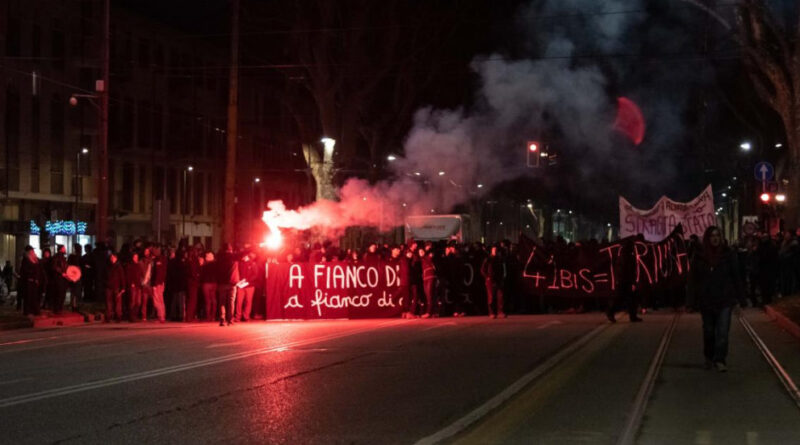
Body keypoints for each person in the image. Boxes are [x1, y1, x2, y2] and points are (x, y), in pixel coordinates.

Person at [688, 226, 746, 372]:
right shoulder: (699, 256)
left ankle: (720, 359)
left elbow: (736, 277)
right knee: (708, 331)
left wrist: (740, 300)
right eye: (712, 236)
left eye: (717, 236)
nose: (715, 238)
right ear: (707, 238)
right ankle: (709, 357)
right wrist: (690, 301)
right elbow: (693, 280)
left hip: (725, 300)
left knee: (722, 332)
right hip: (706, 300)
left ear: (721, 238)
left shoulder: (728, 254)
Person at [216, 243, 239, 326]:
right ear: (230, 249)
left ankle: (222, 319)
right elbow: (243, 253)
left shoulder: (219, 257)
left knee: (222, 302)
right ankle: (230, 320)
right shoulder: (233, 256)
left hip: (222, 283)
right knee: (231, 302)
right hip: (232, 283)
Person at [481, 246, 506, 319]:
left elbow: (503, 269)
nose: (495, 251)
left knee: (500, 297)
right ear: (491, 251)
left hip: (498, 280)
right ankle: (491, 312)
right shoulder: (488, 259)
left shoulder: (500, 259)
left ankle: (500, 312)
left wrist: (502, 278)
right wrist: (487, 277)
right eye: (494, 250)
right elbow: (482, 269)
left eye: (496, 250)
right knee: (491, 297)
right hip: (491, 281)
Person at [20, 247, 44, 316]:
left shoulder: (35, 260)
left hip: (34, 281)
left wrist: (37, 278)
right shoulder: (26, 260)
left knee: (34, 296)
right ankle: (27, 311)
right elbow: (24, 270)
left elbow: (39, 269)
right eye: (32, 251)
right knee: (28, 297)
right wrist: (31, 274)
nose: (33, 252)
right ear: (29, 252)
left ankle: (34, 310)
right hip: (28, 281)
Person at [236, 252, 258, 322]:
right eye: (243, 256)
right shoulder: (240, 264)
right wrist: (239, 281)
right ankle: (238, 317)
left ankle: (246, 316)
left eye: (245, 256)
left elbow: (255, 274)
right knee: (239, 301)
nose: (244, 258)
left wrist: (247, 280)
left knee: (248, 301)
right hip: (241, 285)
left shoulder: (253, 264)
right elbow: (237, 272)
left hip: (250, 285)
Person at [47, 245, 69, 314]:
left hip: (63, 278)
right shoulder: (57, 257)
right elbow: (54, 267)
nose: (65, 249)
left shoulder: (62, 257)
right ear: (61, 249)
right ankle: (57, 309)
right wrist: (62, 273)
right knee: (58, 294)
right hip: (58, 278)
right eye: (64, 248)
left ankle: (59, 308)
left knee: (62, 294)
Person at [105, 252, 126, 322]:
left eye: (113, 257)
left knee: (118, 302)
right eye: (111, 257)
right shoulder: (108, 266)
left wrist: (123, 287)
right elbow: (105, 276)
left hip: (117, 286)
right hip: (109, 286)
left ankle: (118, 316)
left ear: (116, 258)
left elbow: (122, 277)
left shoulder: (118, 266)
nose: (112, 259)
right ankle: (109, 316)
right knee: (109, 302)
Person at [150, 246, 168, 322]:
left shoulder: (158, 260)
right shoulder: (163, 259)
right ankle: (162, 316)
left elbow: (158, 273)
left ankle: (161, 316)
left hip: (158, 283)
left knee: (157, 300)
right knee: (160, 300)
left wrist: (155, 284)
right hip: (161, 282)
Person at [124, 252, 144, 322]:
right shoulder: (130, 266)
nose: (136, 258)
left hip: (138, 285)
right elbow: (128, 276)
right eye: (135, 257)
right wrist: (131, 283)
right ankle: (131, 316)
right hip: (133, 286)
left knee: (138, 301)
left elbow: (141, 274)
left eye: (137, 257)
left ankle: (135, 315)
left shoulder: (138, 265)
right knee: (132, 301)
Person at [200, 251, 218, 322]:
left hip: (206, 283)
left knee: (207, 301)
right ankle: (213, 316)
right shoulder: (216, 264)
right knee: (213, 299)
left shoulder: (204, 265)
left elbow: (201, 274)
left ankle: (208, 316)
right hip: (214, 283)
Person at [67, 243, 83, 311]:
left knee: (73, 291)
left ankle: (73, 304)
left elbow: (68, 264)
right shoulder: (79, 257)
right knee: (76, 291)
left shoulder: (71, 256)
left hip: (72, 274)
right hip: (77, 275)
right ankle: (75, 305)